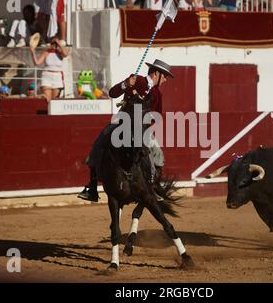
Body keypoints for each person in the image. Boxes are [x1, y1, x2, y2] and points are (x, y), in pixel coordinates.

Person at [78, 59, 174, 202]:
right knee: (99, 143)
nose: (166, 80)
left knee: (158, 154)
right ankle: (92, 188)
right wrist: (125, 84)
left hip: (142, 129)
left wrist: (145, 121)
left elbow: (158, 115)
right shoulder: (136, 80)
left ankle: (154, 188)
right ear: (156, 73)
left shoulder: (158, 94)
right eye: (165, 76)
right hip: (123, 122)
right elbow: (112, 93)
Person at [29, 37, 68, 101]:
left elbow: (66, 54)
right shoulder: (46, 52)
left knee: (55, 100)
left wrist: (59, 43)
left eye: (55, 43)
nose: (54, 45)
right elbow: (37, 63)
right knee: (47, 99)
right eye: (52, 43)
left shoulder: (60, 53)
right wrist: (33, 52)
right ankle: (46, 110)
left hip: (57, 76)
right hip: (47, 76)